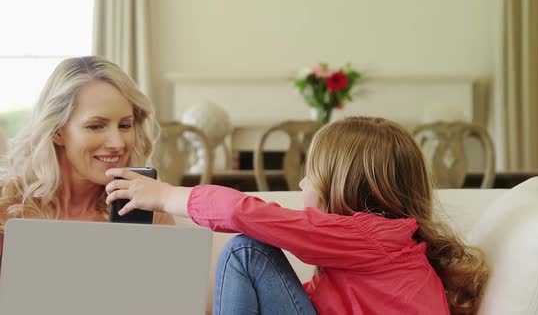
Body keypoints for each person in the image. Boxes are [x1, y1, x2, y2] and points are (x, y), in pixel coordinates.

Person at [105, 117, 489, 315]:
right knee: (249, 251)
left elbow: (243, 213)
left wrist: (167, 195)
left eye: (311, 173)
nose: (303, 182)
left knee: (246, 251)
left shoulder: (365, 237)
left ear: (345, 185)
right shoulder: (386, 244)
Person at [0, 56, 175, 260]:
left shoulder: (146, 210)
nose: (117, 143)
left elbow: (167, 290)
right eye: (96, 126)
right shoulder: (6, 205)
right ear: (57, 132)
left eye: (125, 125)